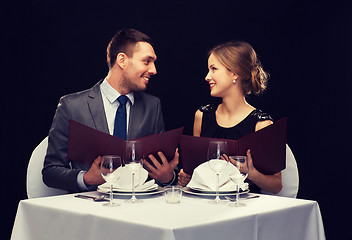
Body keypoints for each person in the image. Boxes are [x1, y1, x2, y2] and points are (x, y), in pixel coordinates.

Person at [42, 29, 178, 193]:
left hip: (137, 207)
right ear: (122, 60)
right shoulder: (71, 106)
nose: (154, 70)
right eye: (147, 61)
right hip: (90, 209)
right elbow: (50, 172)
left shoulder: (153, 106)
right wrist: (86, 178)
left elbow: (162, 167)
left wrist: (167, 178)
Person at [178, 41, 282, 194]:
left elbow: (276, 185)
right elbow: (197, 172)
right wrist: (187, 177)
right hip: (205, 204)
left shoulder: (261, 124)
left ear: (234, 73)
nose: (207, 77)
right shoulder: (202, 115)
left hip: (243, 208)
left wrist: (251, 174)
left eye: (213, 69)